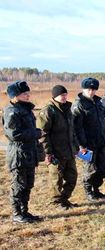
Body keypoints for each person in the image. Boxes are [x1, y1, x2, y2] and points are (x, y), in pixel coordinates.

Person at [2, 81, 43, 223]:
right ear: (15, 96)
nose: (28, 95)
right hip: (18, 154)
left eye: (27, 93)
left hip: (29, 153)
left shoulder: (25, 109)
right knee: (18, 185)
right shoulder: (11, 111)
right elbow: (14, 134)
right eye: (24, 93)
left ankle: (25, 212)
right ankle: (17, 213)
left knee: (28, 184)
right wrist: (37, 133)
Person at [37, 85, 79, 210]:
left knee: (72, 177)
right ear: (55, 96)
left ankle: (64, 199)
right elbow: (42, 133)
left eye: (66, 94)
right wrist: (48, 152)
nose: (64, 97)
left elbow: (72, 131)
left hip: (69, 151)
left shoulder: (68, 110)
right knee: (57, 179)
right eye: (62, 95)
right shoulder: (48, 111)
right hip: (55, 152)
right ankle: (56, 202)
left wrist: (76, 146)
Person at [72, 77, 105, 201]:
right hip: (87, 143)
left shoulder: (98, 102)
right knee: (90, 168)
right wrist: (81, 145)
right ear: (83, 89)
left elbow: (102, 122)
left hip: (101, 140)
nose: (91, 91)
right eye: (89, 89)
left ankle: (96, 189)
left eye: (94, 89)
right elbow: (76, 127)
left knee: (103, 167)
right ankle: (88, 191)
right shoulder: (79, 104)